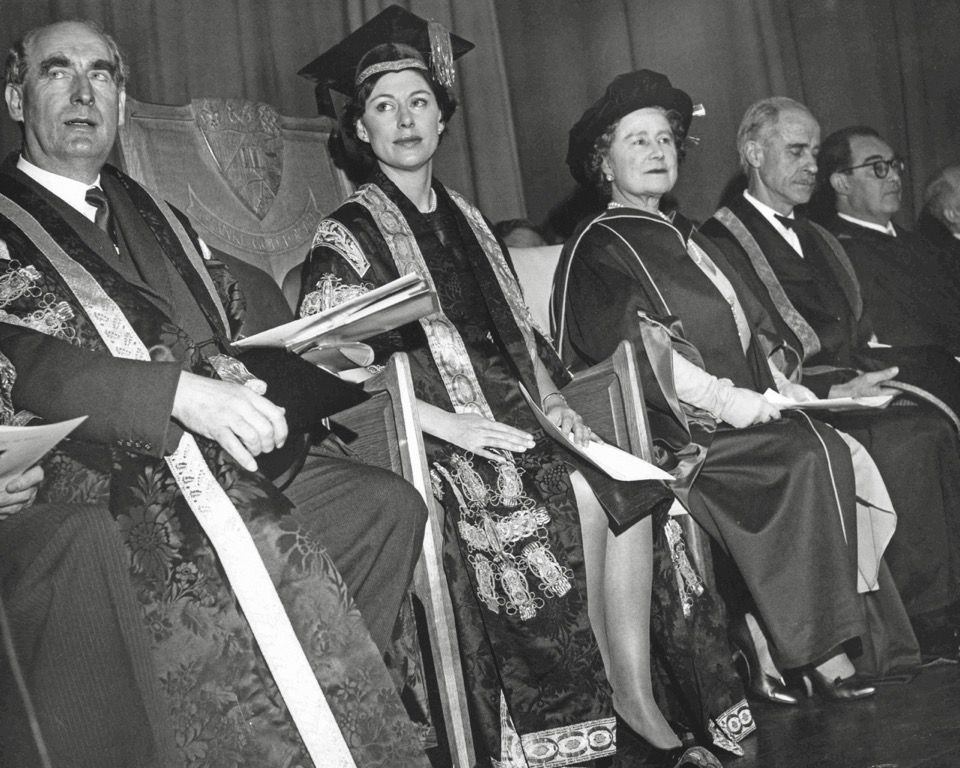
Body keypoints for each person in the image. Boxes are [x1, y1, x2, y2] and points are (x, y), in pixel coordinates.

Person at [296, 8, 723, 768]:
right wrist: (447, 426)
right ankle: (583, 721)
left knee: (629, 480)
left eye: (419, 102)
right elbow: (331, 368)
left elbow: (521, 340)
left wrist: (557, 403)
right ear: (360, 128)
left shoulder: (469, 220)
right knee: (574, 492)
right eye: (384, 107)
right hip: (427, 439)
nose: (405, 119)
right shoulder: (347, 235)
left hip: (518, 418)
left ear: (442, 118)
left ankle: (636, 702)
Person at [0, 19, 431, 768]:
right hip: (99, 460)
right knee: (226, 536)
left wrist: (324, 358)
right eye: (56, 72)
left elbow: (236, 323)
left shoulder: (158, 215)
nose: (82, 93)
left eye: (101, 75)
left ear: (121, 99)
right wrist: (176, 394)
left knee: (385, 507)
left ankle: (331, 719)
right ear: (16, 97)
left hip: (221, 446)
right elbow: (26, 357)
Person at [554, 69, 916, 710]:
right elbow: (640, 354)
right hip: (666, 434)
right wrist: (730, 402)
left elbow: (754, 333)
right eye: (638, 141)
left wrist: (784, 391)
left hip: (735, 415)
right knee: (800, 456)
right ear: (604, 163)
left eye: (665, 140)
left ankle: (793, 635)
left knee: (830, 445)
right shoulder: (598, 245)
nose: (658, 151)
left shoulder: (687, 233)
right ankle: (814, 651)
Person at [700, 98, 960, 658]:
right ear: (753, 153)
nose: (812, 165)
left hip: (855, 382)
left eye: (815, 152)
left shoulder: (820, 236)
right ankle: (925, 623)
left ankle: (946, 608)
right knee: (916, 440)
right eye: (796, 151)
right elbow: (741, 353)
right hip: (790, 400)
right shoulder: (718, 242)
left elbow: (857, 332)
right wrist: (826, 391)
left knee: (938, 419)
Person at [810, 125, 960, 355]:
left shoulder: (925, 245)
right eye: (877, 168)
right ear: (842, 183)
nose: (894, 177)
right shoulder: (834, 252)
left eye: (893, 165)